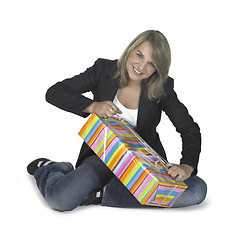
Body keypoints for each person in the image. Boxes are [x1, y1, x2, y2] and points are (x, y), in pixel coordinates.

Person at [27, 30, 207, 211]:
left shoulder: (163, 87)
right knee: (61, 200)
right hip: (102, 158)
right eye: (139, 55)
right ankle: (51, 168)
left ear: (158, 69)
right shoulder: (103, 70)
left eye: (151, 64)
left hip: (144, 167)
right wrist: (92, 106)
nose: (141, 67)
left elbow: (189, 128)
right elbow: (55, 92)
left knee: (198, 190)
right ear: (130, 49)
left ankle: (101, 195)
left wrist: (187, 166)